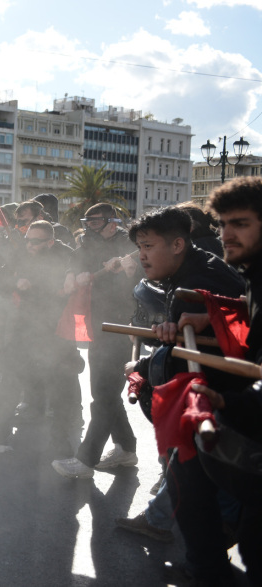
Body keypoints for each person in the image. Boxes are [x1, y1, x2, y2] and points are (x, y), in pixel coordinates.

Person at [115, 206, 245, 581]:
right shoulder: (191, 268)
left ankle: (214, 549)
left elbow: (222, 341)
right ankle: (174, 529)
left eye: (147, 246)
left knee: (202, 473)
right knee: (189, 468)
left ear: (176, 244)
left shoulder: (198, 283)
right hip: (214, 390)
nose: (141, 255)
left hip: (220, 392)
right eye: (139, 247)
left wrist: (144, 368)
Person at [182, 177, 262, 585]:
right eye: (223, 223)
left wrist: (232, 402)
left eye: (241, 224)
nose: (226, 234)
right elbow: (252, 312)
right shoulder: (254, 273)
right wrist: (210, 312)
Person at [53, 203, 139, 478]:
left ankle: (86, 460)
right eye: (87, 222)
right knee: (104, 392)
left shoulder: (131, 245)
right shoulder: (88, 242)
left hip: (120, 327)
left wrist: (129, 273)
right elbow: (76, 259)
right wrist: (70, 273)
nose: (89, 227)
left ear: (112, 223)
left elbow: (145, 284)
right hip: (96, 325)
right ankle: (126, 448)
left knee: (104, 393)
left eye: (95, 222)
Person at [0, 220, 82, 453]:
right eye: (27, 239)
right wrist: (15, 282)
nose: (29, 244)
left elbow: (80, 259)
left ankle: (63, 442)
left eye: (35, 241)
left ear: (49, 241)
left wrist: (71, 273)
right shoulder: (22, 252)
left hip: (56, 330)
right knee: (10, 379)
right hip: (25, 327)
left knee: (61, 384)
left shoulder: (63, 252)